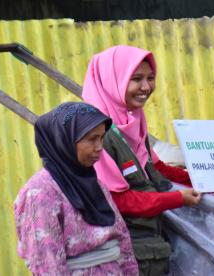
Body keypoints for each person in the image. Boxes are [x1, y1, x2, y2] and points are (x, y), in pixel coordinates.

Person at [82, 45, 214, 275]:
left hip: (150, 249)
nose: (146, 87)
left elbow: (159, 170)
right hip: (122, 256)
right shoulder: (97, 135)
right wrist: (177, 198)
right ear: (112, 79)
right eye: (136, 79)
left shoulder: (131, 124)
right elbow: (119, 199)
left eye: (150, 78)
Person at [14, 102, 138, 275]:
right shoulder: (40, 193)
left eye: (101, 138)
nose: (99, 147)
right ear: (65, 140)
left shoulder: (96, 185)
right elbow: (46, 264)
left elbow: (123, 242)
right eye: (92, 139)